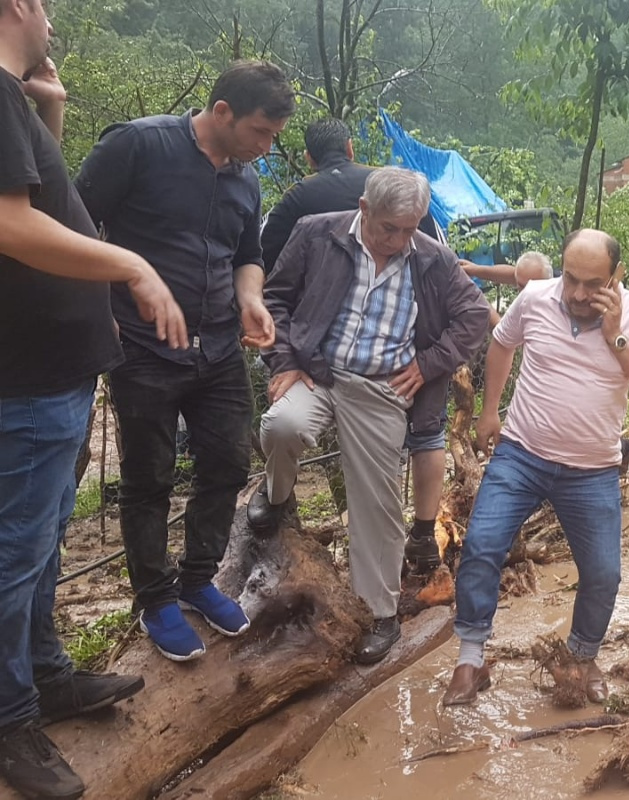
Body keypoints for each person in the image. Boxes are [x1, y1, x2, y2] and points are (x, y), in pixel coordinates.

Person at [0, 4, 185, 794]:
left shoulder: (12, 99)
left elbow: (39, 202)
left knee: (39, 544)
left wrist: (50, 110)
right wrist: (133, 265)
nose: (49, 18)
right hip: (29, 375)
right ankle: (10, 720)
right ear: (17, 7)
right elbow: (12, 227)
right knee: (13, 553)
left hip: (57, 372)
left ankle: (42, 674)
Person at [75, 61, 295, 661]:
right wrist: (106, 305)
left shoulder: (246, 180)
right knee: (148, 478)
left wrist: (250, 297)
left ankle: (199, 580)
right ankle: (155, 599)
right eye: (259, 131)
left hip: (220, 346)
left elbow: (246, 254)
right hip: (142, 348)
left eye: (274, 136)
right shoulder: (138, 145)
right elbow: (71, 224)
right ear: (222, 112)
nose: (264, 146)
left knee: (225, 463)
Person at [249, 167, 488, 662]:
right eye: (389, 229)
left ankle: (381, 615)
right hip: (317, 371)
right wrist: (286, 360)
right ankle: (275, 496)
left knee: (377, 503)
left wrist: (428, 364)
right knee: (281, 426)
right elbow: (276, 298)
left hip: (379, 387)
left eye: (410, 228)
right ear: (364, 209)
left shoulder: (433, 258)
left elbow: (474, 317)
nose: (400, 240)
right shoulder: (317, 233)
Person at [443, 229, 629, 706]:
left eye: (593, 284)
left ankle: (581, 656)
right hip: (522, 454)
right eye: (571, 279)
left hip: (592, 470)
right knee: (483, 544)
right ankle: (470, 659)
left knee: (604, 574)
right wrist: (490, 412)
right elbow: (502, 343)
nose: (580, 294)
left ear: (617, 277)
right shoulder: (535, 297)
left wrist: (617, 339)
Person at [400, 250, 556, 574]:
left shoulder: (554, 302)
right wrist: (475, 270)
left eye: (530, 285)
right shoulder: (531, 290)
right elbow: (512, 275)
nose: (524, 290)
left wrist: (488, 311)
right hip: (523, 406)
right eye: (520, 284)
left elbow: (505, 333)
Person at [259, 117, 443, 272]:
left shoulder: (298, 195)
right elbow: (438, 248)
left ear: (309, 158)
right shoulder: (389, 184)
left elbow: (262, 252)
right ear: (349, 148)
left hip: (316, 301)